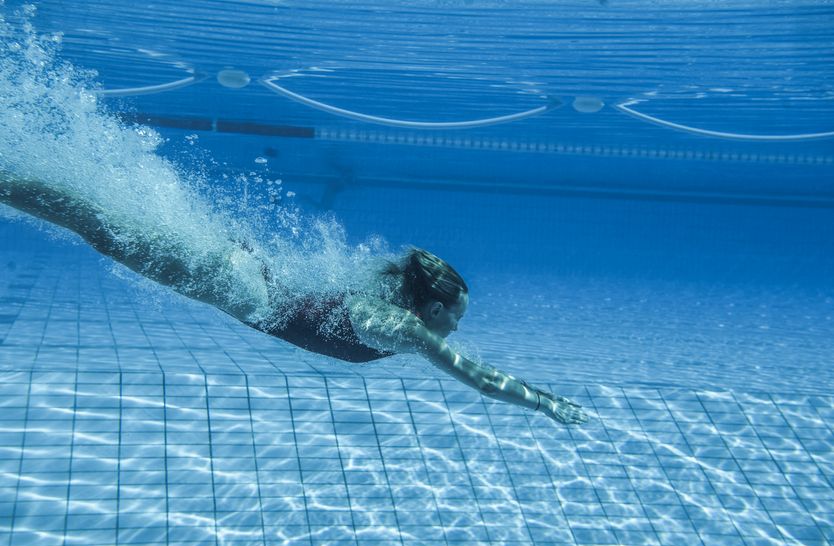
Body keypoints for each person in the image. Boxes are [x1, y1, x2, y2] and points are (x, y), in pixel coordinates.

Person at [0, 171, 588, 425]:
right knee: (101, 228)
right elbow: (478, 378)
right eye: (452, 319)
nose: (452, 332)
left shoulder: (390, 313)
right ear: (430, 310)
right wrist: (541, 401)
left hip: (239, 275)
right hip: (231, 282)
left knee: (105, 229)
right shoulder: (403, 328)